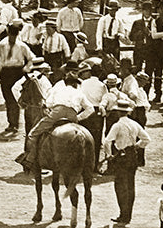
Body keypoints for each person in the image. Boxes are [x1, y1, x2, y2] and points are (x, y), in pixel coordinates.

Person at [18, 69, 94, 171]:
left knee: (33, 134)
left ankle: (30, 159)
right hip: (72, 115)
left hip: (57, 113)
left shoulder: (58, 89)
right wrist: (78, 118)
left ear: (65, 82)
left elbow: (48, 103)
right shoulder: (79, 92)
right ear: (75, 83)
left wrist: (49, 109)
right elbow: (90, 109)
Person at [103, 95, 149, 225]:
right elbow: (147, 139)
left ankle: (123, 214)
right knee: (130, 185)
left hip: (121, 157)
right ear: (128, 111)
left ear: (118, 112)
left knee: (120, 186)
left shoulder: (117, 125)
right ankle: (128, 215)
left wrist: (108, 155)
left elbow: (107, 142)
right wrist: (136, 146)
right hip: (132, 156)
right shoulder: (135, 124)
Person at [0, 21, 35, 133]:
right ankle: (11, 123)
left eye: (14, 35)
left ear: (17, 35)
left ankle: (14, 124)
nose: (12, 38)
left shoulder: (22, 46)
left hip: (17, 72)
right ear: (8, 34)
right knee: (8, 99)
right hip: (5, 72)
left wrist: (26, 69)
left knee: (15, 99)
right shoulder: (2, 44)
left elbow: (32, 58)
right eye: (10, 35)